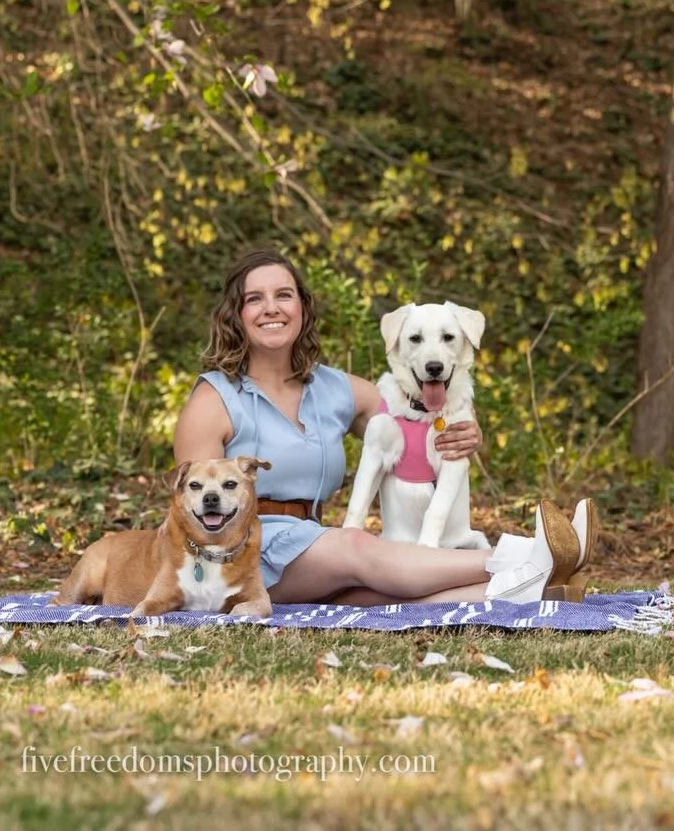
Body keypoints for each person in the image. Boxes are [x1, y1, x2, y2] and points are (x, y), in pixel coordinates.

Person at [172, 248, 596, 606]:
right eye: (254, 299)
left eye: (283, 295)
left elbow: (420, 413)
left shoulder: (333, 388)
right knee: (357, 545)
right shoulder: (214, 400)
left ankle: (536, 591)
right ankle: (532, 555)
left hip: (313, 548)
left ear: (301, 306)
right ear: (236, 314)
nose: (271, 308)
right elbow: (188, 514)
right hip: (240, 554)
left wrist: (466, 427)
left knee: (389, 593)